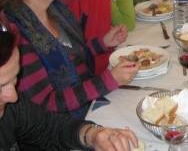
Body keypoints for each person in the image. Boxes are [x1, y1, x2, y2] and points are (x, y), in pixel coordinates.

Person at [0, 0, 138, 118]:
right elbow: (48, 103)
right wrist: (109, 80)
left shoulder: (57, 9)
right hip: (65, 128)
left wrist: (102, 43)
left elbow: (73, 58)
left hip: (90, 103)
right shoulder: (17, 37)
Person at [0, 19, 138, 151]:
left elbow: (50, 127)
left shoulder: (13, 109)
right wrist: (106, 81)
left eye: (14, 79)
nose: (13, 97)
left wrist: (91, 135)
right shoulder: (24, 32)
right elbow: (49, 103)